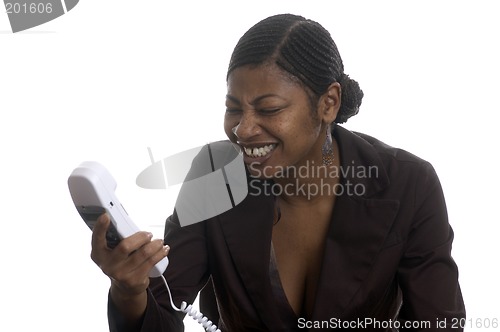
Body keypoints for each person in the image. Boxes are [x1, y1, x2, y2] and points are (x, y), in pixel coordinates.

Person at [91, 14, 466, 331]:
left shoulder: (408, 184)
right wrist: (129, 291)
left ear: (328, 104)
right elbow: (163, 313)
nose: (242, 128)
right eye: (233, 107)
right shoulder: (213, 176)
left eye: (268, 109)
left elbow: (438, 323)